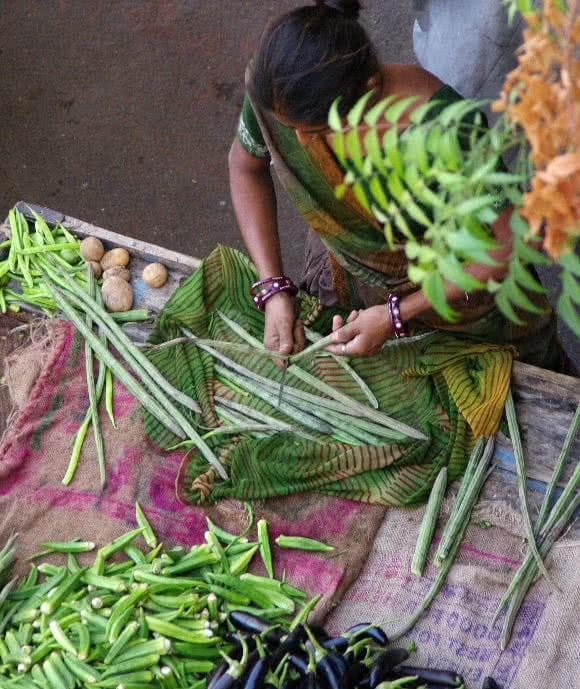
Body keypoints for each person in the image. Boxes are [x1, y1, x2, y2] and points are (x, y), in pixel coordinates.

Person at [228, 0, 560, 370]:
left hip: (464, 307)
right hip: (356, 280)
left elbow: (510, 244)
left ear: (370, 90)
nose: (305, 146)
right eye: (294, 131)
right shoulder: (281, 91)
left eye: (320, 132)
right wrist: (273, 288)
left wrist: (395, 315)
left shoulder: (442, 129)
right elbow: (246, 168)